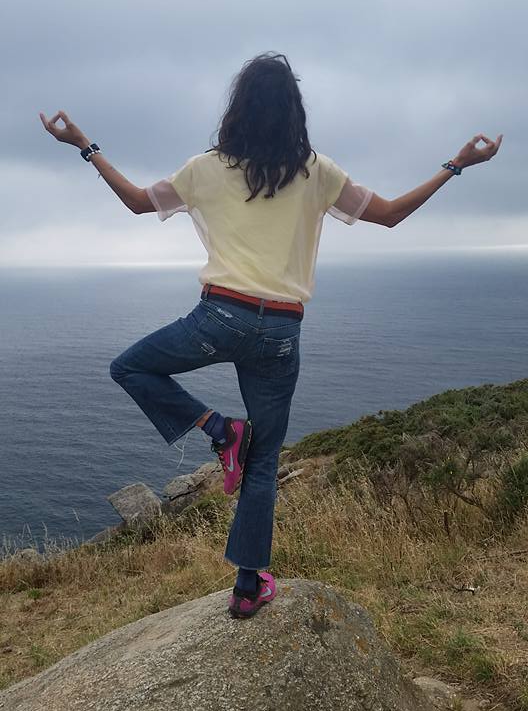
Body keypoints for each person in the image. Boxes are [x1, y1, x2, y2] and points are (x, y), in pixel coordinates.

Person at [39, 51, 503, 619]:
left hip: (220, 318)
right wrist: (456, 165)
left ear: (238, 107)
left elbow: (138, 203)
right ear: (293, 112)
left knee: (130, 367)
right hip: (282, 330)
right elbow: (390, 214)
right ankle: (247, 586)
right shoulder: (316, 171)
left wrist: (85, 146)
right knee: (263, 463)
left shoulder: (206, 168)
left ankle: (219, 429)